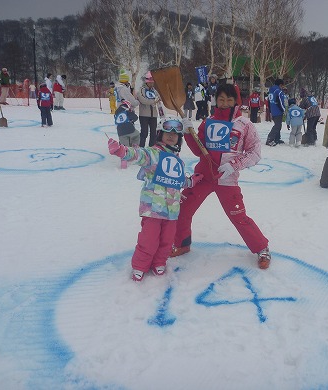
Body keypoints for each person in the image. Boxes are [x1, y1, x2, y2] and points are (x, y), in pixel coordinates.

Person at [169, 83, 271, 269]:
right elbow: (198, 151)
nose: (224, 103)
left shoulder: (244, 125)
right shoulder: (208, 122)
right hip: (203, 177)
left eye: (229, 100)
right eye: (221, 99)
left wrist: (234, 165)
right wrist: (188, 133)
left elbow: (254, 152)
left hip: (227, 180)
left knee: (238, 216)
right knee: (182, 209)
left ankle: (262, 248)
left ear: (236, 102)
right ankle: (182, 243)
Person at [107, 117, 204, 281]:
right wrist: (122, 151)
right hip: (153, 208)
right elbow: (138, 154)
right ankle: (140, 266)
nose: (171, 137)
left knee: (167, 240)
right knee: (149, 240)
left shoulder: (177, 161)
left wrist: (192, 181)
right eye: (167, 133)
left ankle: (159, 262)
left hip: (172, 211)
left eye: (175, 135)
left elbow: (179, 181)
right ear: (160, 134)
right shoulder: (153, 154)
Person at [137, 71, 161, 147]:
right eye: (150, 82)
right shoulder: (141, 90)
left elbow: (159, 98)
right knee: (144, 132)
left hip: (153, 115)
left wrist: (158, 100)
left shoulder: (154, 91)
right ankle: (141, 148)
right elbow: (143, 100)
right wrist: (153, 101)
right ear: (146, 82)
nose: (151, 84)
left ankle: (152, 148)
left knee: (153, 133)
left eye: (152, 82)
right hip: (144, 115)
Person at [266, 78, 286, 146]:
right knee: (277, 126)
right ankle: (270, 139)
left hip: (273, 110)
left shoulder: (271, 91)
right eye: (282, 86)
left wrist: (270, 110)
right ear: (280, 85)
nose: (282, 87)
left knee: (278, 125)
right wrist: (283, 110)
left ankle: (277, 138)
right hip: (278, 111)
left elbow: (268, 101)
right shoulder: (279, 91)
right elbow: (280, 102)